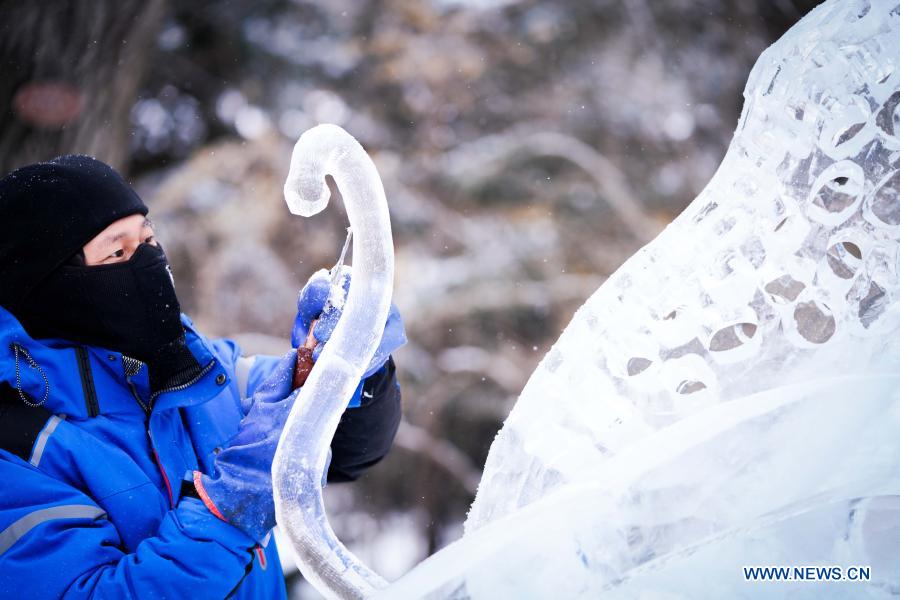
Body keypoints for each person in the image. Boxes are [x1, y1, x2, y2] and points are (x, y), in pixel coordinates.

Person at [0, 154, 406, 598]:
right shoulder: (16, 450)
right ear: (49, 289)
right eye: (118, 252)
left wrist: (352, 366)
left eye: (148, 240)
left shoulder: (203, 370)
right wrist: (226, 510)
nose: (149, 262)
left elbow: (348, 447)